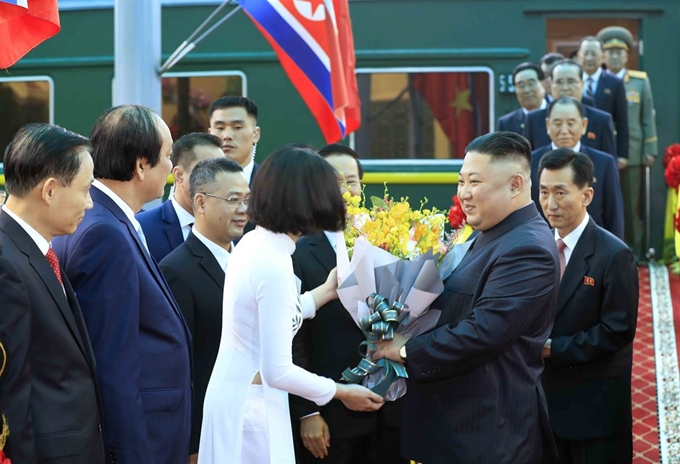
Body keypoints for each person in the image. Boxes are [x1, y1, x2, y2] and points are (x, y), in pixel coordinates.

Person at [373, 131, 559, 464]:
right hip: (455, 425)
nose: (464, 195)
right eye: (461, 182)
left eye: (474, 182)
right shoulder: (493, 232)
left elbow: (484, 331)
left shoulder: (528, 248)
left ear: (516, 185)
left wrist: (403, 348)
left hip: (486, 431)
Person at [198, 145, 384, 464]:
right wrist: (341, 391)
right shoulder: (273, 260)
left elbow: (270, 315)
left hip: (241, 396)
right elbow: (277, 370)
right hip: (251, 408)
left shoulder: (257, 242)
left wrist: (325, 291)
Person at [52, 105, 193, 464]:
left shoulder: (107, 220)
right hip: (141, 438)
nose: (170, 168)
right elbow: (112, 361)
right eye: (166, 156)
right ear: (141, 164)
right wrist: (130, 453)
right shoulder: (104, 231)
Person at [290, 144, 407, 464]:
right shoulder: (298, 250)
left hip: (391, 411)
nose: (344, 190)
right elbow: (294, 338)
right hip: (332, 414)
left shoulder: (389, 238)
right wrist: (307, 412)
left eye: (351, 181)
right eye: (334, 181)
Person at [0, 123, 105, 463]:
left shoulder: (33, 249)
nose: (89, 204)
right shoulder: (7, 262)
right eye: (85, 189)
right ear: (49, 191)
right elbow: (11, 393)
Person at [537, 148, 638, 463]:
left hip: (594, 409)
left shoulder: (613, 255)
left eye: (560, 193)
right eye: (543, 192)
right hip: (542, 406)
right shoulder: (536, 248)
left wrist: (555, 348)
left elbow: (617, 331)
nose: (550, 204)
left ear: (587, 195)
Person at [160, 157, 249, 463]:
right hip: (208, 433)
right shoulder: (176, 270)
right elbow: (182, 368)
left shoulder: (250, 260)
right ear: (200, 203)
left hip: (253, 421)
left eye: (246, 200)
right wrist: (193, 443)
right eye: (233, 199)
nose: (243, 210)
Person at [598, 25, 658, 257]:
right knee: (604, 203)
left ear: (626, 55)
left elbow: (647, 117)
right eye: (610, 52)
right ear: (604, 55)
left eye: (619, 52)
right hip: (603, 151)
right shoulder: (597, 81)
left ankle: (633, 250)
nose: (614, 56)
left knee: (630, 205)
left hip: (631, 153)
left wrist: (650, 148)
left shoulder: (639, 82)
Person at [530, 97, 624, 239]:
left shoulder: (604, 163)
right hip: (541, 246)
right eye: (557, 123)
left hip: (593, 248)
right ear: (548, 125)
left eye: (571, 123)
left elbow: (614, 214)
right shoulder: (531, 162)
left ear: (584, 125)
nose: (564, 130)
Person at [138, 132, 224, 262]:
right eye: (208, 171)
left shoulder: (232, 228)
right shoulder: (142, 229)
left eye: (223, 171)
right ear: (179, 175)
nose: (218, 180)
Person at [524, 59, 616, 155]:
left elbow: (608, 162)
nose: (565, 87)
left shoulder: (601, 120)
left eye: (571, 81)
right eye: (559, 82)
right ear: (550, 85)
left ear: (582, 84)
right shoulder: (533, 119)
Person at [577, 36, 630, 167]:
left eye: (594, 54)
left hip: (604, 144)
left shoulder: (614, 83)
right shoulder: (572, 80)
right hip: (577, 144)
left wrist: (622, 155)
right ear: (579, 56)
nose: (589, 58)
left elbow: (622, 121)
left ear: (602, 57)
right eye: (586, 54)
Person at [496, 62, 546, 134]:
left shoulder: (556, 115)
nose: (526, 90)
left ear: (543, 84)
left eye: (531, 83)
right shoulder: (506, 123)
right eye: (521, 85)